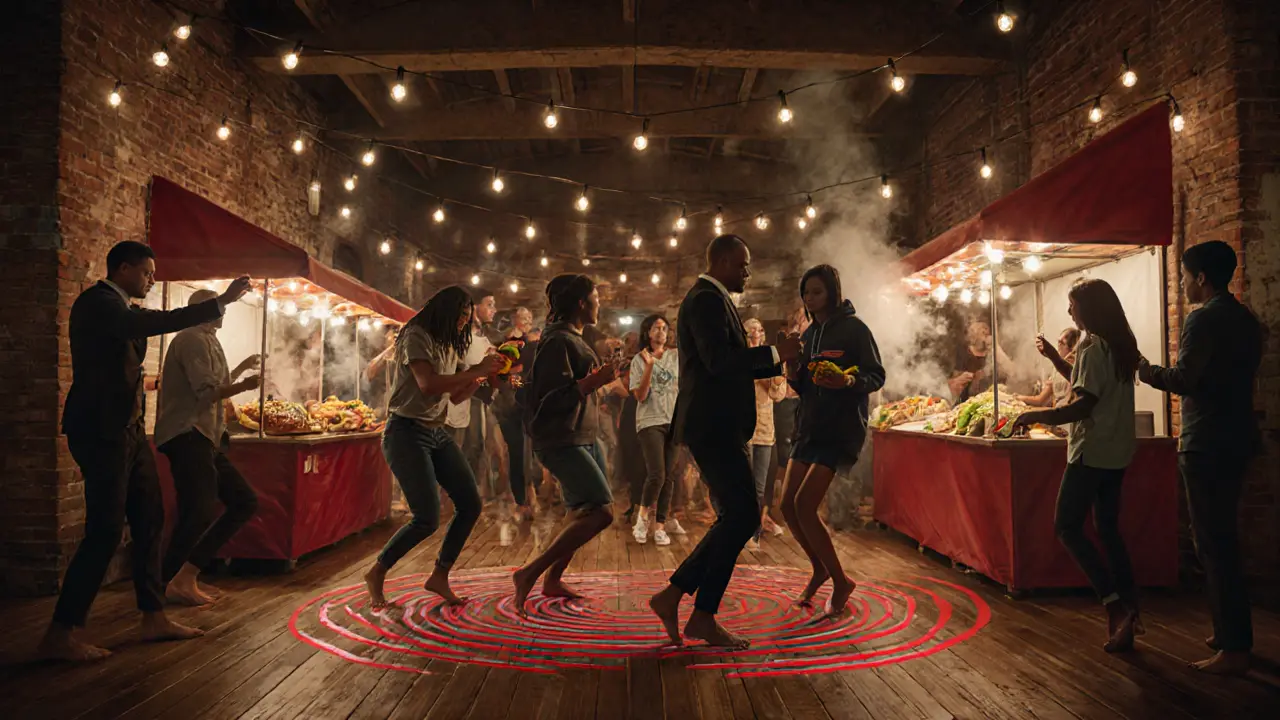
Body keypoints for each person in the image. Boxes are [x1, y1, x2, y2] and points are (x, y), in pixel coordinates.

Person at [39, 241, 250, 662]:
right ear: (121, 269)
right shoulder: (98, 303)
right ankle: (61, 632)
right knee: (104, 529)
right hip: (101, 431)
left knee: (150, 518)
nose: (152, 279)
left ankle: (153, 616)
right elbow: (153, 324)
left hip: (129, 431)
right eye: (147, 272)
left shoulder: (122, 310)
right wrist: (221, 301)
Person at [648, 235, 800, 648]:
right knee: (743, 516)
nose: (748, 273)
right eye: (742, 265)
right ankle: (696, 612)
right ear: (720, 261)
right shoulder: (705, 300)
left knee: (740, 515)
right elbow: (720, 362)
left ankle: (679, 599)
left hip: (717, 425)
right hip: (712, 425)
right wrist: (775, 354)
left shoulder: (711, 299)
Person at [1138, 241, 1262, 675]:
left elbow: (1185, 379)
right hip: (1238, 439)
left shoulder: (1202, 319)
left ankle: (1235, 649)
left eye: (1186, 276)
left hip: (1207, 442)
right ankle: (1227, 632)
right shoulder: (1245, 318)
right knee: (1220, 540)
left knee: (1214, 544)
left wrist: (1144, 369)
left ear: (1202, 277)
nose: (1184, 283)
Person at [1013, 279, 1141, 653]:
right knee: (1108, 530)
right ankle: (1131, 607)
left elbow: (1083, 405)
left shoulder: (1091, 346)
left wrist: (1037, 415)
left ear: (1090, 308)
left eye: (1072, 305)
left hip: (1090, 453)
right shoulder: (1118, 344)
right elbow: (1091, 388)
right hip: (1117, 452)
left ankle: (1114, 604)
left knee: (1066, 526)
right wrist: (1055, 358)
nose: (1070, 312)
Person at [364, 287, 504, 610]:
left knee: (470, 504)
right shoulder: (416, 334)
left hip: (436, 431)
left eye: (467, 318)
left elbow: (454, 396)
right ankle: (377, 571)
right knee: (426, 517)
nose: (463, 323)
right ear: (444, 311)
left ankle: (439, 575)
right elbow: (427, 385)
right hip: (405, 432)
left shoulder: (449, 343)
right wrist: (475, 372)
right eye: (461, 316)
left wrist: (482, 377)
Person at [780, 265, 885, 614]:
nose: (810, 299)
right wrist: (792, 370)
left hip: (839, 428)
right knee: (786, 506)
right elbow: (804, 387)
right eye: (806, 293)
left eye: (817, 292)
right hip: (808, 426)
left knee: (806, 506)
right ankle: (820, 568)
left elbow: (876, 374)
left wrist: (848, 382)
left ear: (833, 293)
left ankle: (841, 581)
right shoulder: (808, 335)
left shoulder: (855, 330)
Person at [513, 275, 620, 611]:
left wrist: (599, 381)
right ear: (580, 304)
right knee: (601, 512)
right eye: (595, 297)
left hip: (584, 435)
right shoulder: (557, 342)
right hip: (561, 439)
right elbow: (550, 398)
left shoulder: (573, 338)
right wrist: (591, 382)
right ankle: (529, 572)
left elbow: (579, 388)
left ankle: (552, 580)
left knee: (580, 511)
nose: (599, 303)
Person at [154, 290, 262, 607]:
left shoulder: (208, 339)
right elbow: (207, 392)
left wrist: (241, 368)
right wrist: (243, 386)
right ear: (201, 309)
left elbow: (216, 382)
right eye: (219, 306)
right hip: (187, 433)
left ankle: (177, 579)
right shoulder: (190, 339)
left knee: (240, 502)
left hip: (206, 436)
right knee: (199, 509)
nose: (224, 311)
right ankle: (176, 580)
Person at [629, 314, 686, 546]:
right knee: (657, 473)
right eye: (656, 328)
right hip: (649, 420)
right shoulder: (639, 360)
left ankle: (660, 526)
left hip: (673, 420)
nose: (661, 332)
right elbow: (640, 396)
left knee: (669, 476)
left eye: (664, 328)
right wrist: (650, 366)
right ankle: (642, 520)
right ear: (648, 332)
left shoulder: (675, 356)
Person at [447, 288, 497, 498]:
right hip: (458, 399)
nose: (493, 310)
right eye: (489, 304)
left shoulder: (484, 340)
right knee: (456, 448)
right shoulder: (457, 337)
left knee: (476, 446)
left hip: (476, 398)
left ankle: (471, 493)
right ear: (474, 307)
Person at [743, 318, 787, 551]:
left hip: (766, 429)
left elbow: (779, 394)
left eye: (759, 329)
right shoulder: (739, 356)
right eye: (751, 330)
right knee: (743, 484)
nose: (756, 333)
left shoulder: (772, 358)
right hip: (743, 428)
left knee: (760, 487)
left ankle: (754, 533)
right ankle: (737, 531)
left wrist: (773, 380)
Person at [494, 306, 536, 521]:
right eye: (522, 318)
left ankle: (530, 494)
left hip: (529, 402)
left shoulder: (534, 342)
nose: (526, 322)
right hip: (510, 403)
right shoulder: (507, 341)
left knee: (531, 452)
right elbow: (500, 370)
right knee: (518, 451)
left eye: (529, 318)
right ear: (514, 320)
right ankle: (521, 500)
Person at [948, 318, 1013, 403]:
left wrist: (995, 348)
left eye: (985, 327)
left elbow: (1013, 373)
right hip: (969, 404)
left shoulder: (998, 351)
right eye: (978, 328)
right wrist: (959, 380)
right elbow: (949, 385)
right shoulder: (961, 353)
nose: (983, 330)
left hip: (1001, 402)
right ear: (969, 334)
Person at [1015, 328, 1081, 408]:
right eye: (1058, 342)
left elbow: (1040, 401)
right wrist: (1017, 398)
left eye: (1062, 343)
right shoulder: (1056, 369)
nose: (1058, 346)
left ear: (1072, 348)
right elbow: (1040, 400)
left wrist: (1018, 398)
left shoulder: (1077, 370)